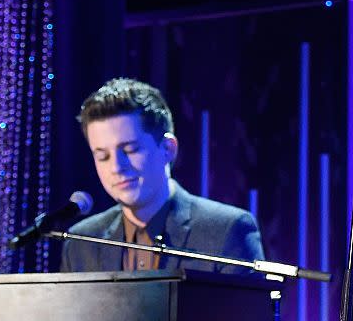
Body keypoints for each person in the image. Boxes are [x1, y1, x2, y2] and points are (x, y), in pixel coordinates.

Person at [60, 77, 264, 274]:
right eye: (102, 156)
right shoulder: (81, 243)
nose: (116, 167)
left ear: (167, 149)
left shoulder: (226, 231)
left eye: (130, 150)